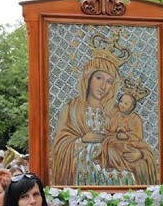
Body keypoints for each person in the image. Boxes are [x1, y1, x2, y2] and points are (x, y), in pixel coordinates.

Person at [51, 53, 126, 185]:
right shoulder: (72, 109)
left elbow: (127, 140)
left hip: (109, 168)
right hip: (81, 173)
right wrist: (82, 140)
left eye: (109, 82)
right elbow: (59, 146)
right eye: (99, 78)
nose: (103, 86)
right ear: (88, 78)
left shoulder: (114, 112)